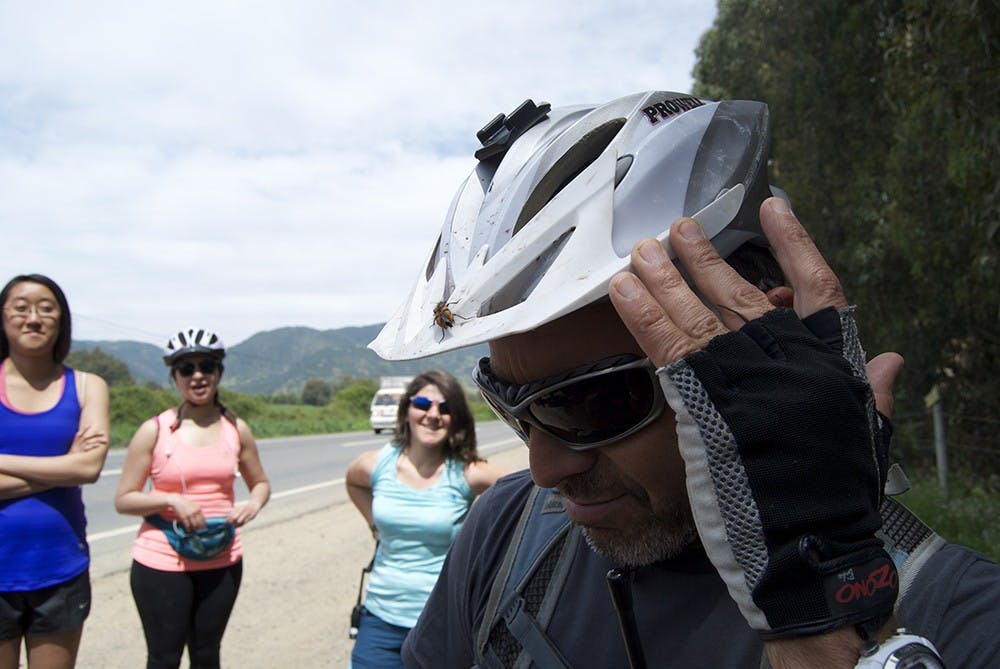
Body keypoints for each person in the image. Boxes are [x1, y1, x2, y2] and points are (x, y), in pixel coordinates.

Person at [369, 93, 1000, 668]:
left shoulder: (957, 615)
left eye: (588, 402)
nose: (544, 468)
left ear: (765, 345)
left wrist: (832, 615)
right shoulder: (504, 531)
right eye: (512, 407)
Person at [114, 327, 270, 669]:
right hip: (161, 559)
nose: (197, 375)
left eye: (206, 367)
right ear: (175, 378)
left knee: (206, 654)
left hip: (222, 557)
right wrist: (171, 500)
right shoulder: (155, 430)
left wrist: (253, 504)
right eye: (186, 369)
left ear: (219, 373)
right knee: (164, 657)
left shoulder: (236, 429)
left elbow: (260, 483)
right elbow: (124, 499)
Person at [345, 370, 508, 669]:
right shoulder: (377, 464)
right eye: (423, 404)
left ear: (456, 418)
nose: (433, 415)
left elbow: (527, 491)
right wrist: (374, 526)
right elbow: (353, 482)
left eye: (445, 408)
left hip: (441, 623)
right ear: (406, 409)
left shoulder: (467, 472)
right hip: (380, 619)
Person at [0, 274, 110, 669]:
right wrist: (64, 467)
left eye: (46, 309)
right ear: (2, 318)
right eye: (21, 308)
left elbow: (90, 466)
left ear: (61, 321)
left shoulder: (87, 386)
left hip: (61, 569)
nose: (33, 318)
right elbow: (76, 468)